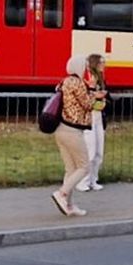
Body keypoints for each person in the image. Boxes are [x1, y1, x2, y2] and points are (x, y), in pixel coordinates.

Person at [51, 56, 95, 217]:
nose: (85, 69)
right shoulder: (77, 82)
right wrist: (96, 95)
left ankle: (69, 205)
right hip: (72, 131)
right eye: (84, 66)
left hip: (60, 129)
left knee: (70, 170)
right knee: (84, 167)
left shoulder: (64, 82)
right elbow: (88, 105)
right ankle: (62, 194)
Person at [77, 54, 108, 192]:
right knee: (90, 150)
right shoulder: (86, 78)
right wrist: (95, 94)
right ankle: (82, 181)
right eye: (102, 62)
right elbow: (82, 96)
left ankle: (93, 179)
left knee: (98, 151)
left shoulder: (101, 79)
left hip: (99, 115)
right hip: (89, 116)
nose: (104, 65)